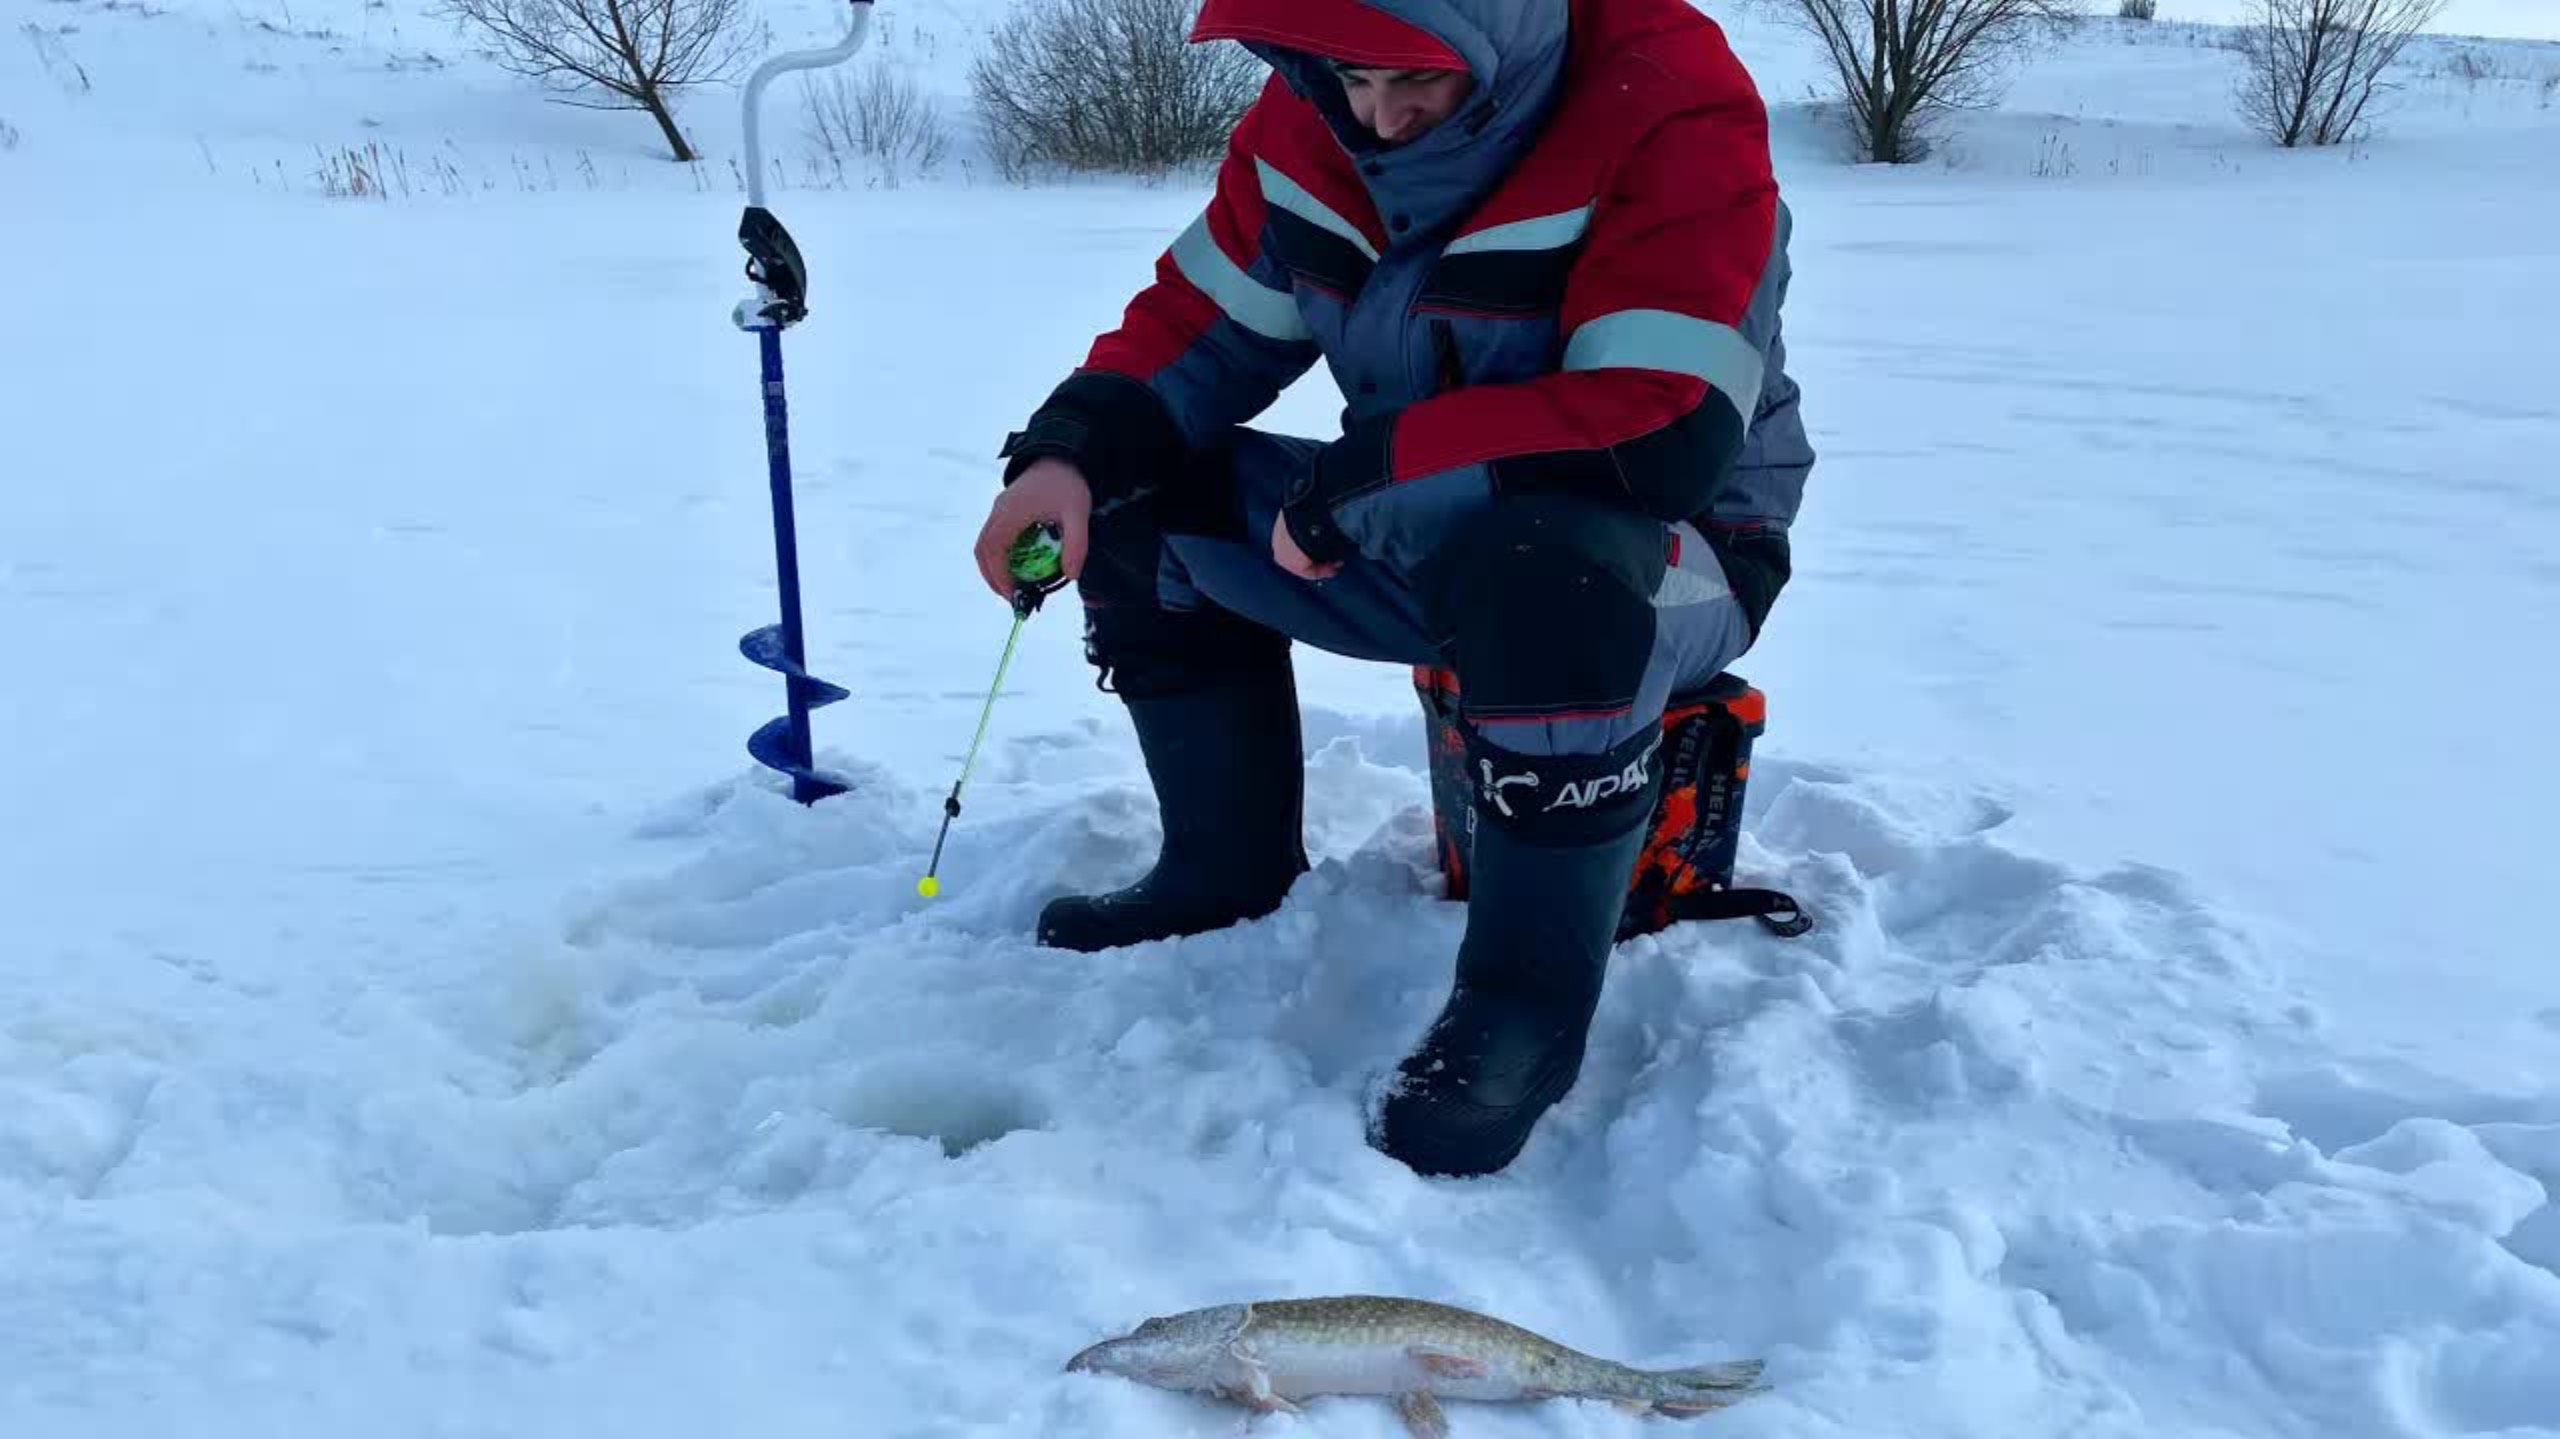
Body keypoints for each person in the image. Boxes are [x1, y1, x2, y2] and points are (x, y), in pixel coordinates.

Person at [972, 0, 1814, 1178]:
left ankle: (1523, 1011)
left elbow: (1660, 426)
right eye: (1346, 80)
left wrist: (1362, 481)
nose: (1377, 116)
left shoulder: (1666, 101)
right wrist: (1066, 452)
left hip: (1669, 547)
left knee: (1548, 575)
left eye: (1412, 78)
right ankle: (1222, 868)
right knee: (1135, 494)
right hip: (1401, 518)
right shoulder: (1305, 125)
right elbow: (1204, 332)